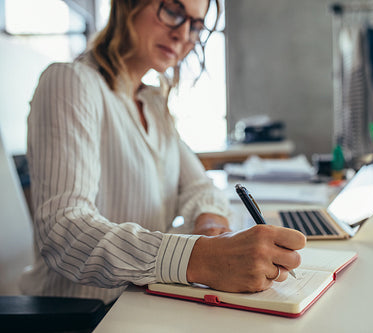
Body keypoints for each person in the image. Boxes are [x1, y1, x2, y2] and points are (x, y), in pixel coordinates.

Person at [20, 0, 306, 305]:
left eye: (195, 25)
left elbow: (200, 186)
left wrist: (211, 228)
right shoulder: (71, 82)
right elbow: (66, 232)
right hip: (88, 313)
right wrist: (201, 258)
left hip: (147, 301)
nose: (183, 34)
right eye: (173, 11)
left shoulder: (154, 104)